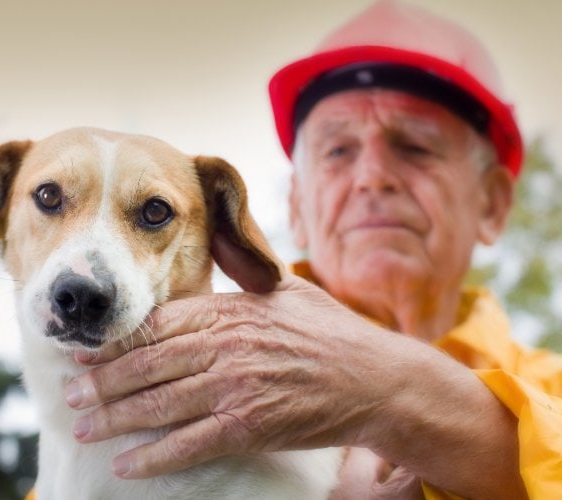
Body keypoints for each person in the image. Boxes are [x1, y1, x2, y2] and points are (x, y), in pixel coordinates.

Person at [61, 1, 562, 498]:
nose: (371, 177)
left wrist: (394, 393)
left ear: (493, 204)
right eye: (338, 150)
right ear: (296, 205)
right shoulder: (143, 370)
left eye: (415, 146)